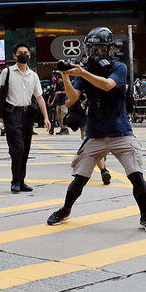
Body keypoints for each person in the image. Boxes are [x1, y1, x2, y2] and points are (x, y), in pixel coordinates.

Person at [47, 27, 146, 229]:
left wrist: (83, 72)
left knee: (136, 175)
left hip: (121, 133)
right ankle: (65, 210)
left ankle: (145, 215)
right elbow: (72, 98)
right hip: (95, 134)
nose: (95, 54)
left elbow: (108, 85)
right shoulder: (85, 72)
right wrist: (66, 76)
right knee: (80, 177)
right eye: (92, 49)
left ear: (110, 49)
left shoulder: (119, 68)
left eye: (99, 49)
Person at [0, 43, 51, 193]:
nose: (23, 54)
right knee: (17, 149)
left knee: (25, 149)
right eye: (20, 52)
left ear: (30, 55)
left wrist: (46, 117)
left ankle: (21, 181)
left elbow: (39, 97)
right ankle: (15, 181)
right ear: (14, 56)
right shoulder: (7, 72)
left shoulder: (34, 75)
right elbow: (0, 94)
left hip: (28, 115)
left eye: (26, 52)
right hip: (12, 114)